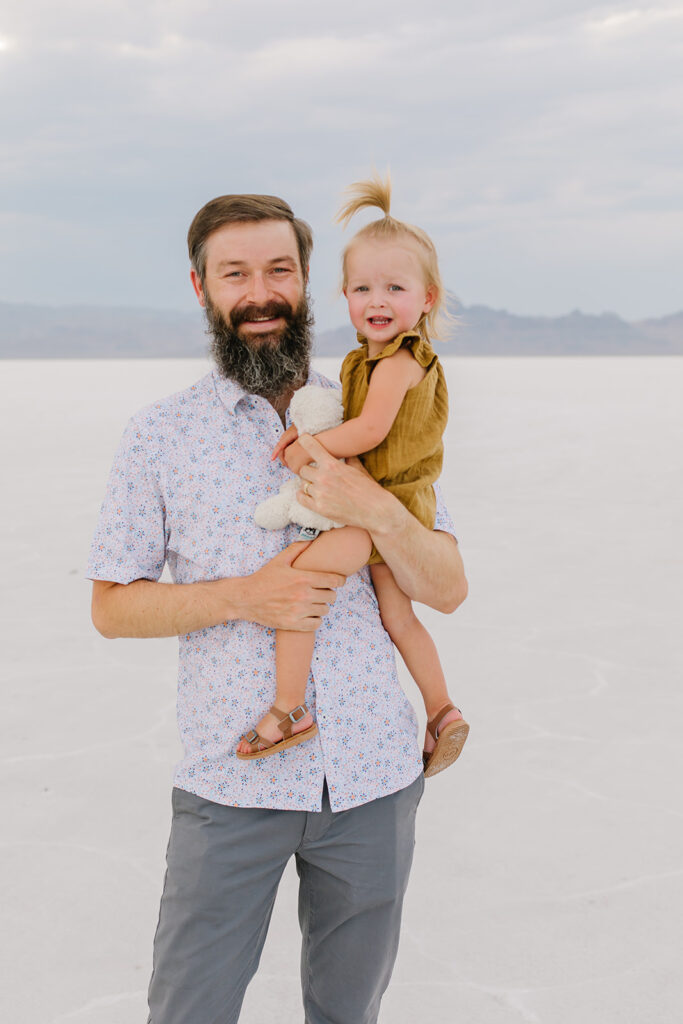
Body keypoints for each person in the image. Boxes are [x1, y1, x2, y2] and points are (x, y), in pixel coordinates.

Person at [88, 192, 468, 1024]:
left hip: (373, 779)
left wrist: (372, 508)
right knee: (189, 1010)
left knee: (347, 1014)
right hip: (233, 784)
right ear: (201, 288)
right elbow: (111, 608)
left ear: (305, 284)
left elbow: (444, 585)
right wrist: (242, 598)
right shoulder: (159, 435)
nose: (259, 292)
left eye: (279, 270)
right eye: (235, 273)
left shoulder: (373, 409)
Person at [237, 176, 469, 778]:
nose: (378, 299)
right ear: (343, 295)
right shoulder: (361, 360)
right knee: (397, 618)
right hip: (393, 505)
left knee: (299, 577)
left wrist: (306, 449)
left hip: (384, 509)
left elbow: (367, 433)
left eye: (395, 287)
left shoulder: (398, 361)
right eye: (363, 287)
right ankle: (442, 710)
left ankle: (290, 708)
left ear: (427, 297)